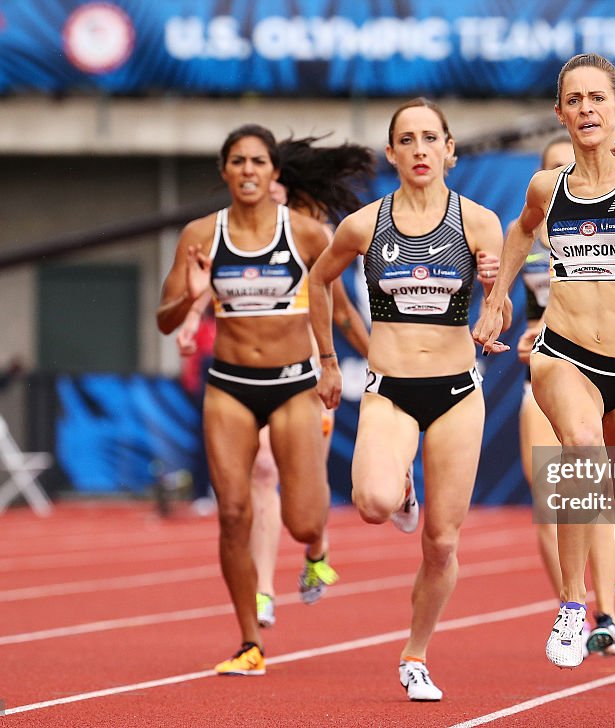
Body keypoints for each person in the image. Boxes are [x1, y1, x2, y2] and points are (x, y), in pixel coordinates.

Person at [474, 54, 615, 679]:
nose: (587, 110)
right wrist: (496, 302)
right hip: (565, 352)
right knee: (579, 448)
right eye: (574, 100)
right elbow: (521, 233)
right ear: (560, 113)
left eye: (598, 98)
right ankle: (573, 606)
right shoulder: (549, 187)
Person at [308, 97, 510, 700]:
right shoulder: (365, 225)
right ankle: (400, 488)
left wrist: (493, 305)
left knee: (442, 543)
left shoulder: (478, 222)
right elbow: (318, 281)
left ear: (449, 149)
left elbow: (497, 303)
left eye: (431, 138)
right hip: (390, 390)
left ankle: (415, 653)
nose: (420, 149)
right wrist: (325, 358)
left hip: (455, 392)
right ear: (391, 153)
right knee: (371, 502)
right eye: (408, 139)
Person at [156, 124, 366, 676]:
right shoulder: (201, 235)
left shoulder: (307, 234)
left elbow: (336, 308)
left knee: (299, 520)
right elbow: (164, 319)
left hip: (293, 384)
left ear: (275, 173)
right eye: (237, 161)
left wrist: (340, 363)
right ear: (224, 171)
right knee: (232, 512)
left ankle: (316, 548)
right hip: (229, 384)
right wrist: (192, 295)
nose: (248, 170)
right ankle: (250, 641)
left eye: (258, 162)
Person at [515, 136, 615, 657]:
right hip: (545, 369)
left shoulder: (608, 229)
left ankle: (604, 609)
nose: (565, 173)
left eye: (570, 164)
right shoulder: (529, 235)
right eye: (554, 166)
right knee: (548, 494)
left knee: (589, 488)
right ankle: (570, 606)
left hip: (597, 371)